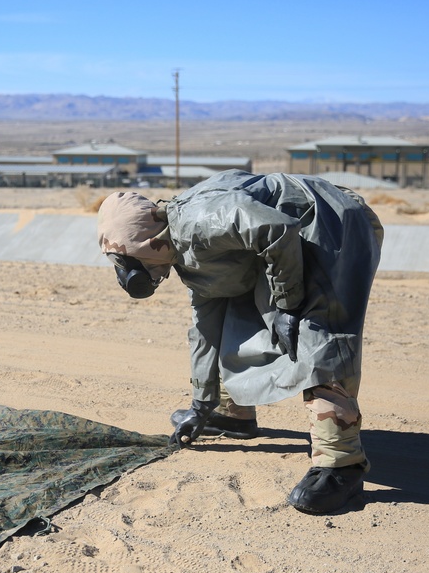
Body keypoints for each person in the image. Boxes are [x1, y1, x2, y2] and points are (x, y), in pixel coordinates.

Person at [97, 169, 383, 514]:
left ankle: (341, 467)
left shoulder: (199, 221)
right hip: (287, 239)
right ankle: (232, 413)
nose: (130, 274)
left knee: (314, 335)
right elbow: (206, 330)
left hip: (330, 220)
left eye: (128, 262)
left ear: (143, 241)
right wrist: (201, 407)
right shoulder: (185, 255)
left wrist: (288, 304)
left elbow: (277, 229)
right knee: (236, 310)